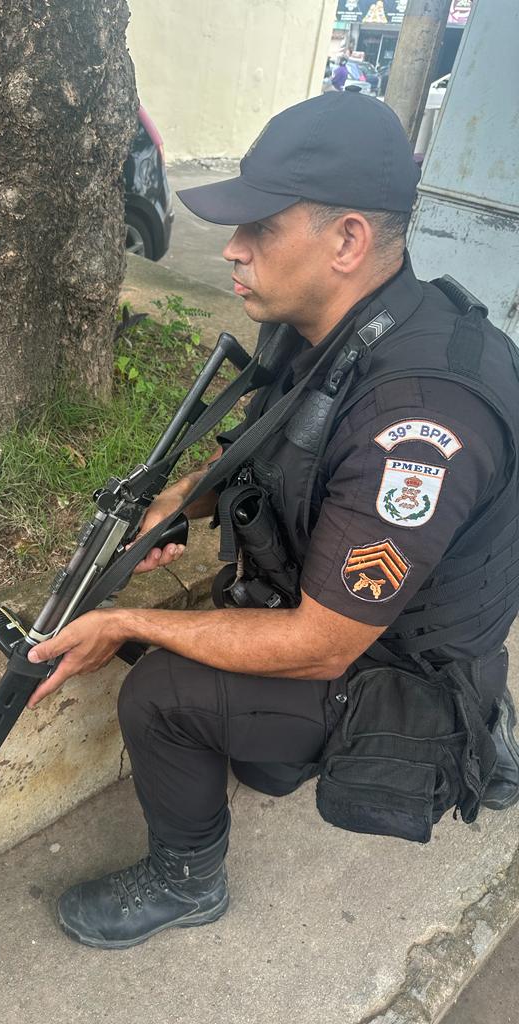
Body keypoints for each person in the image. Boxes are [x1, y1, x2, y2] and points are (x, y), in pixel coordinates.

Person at [26, 92, 519, 949]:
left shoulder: (422, 420)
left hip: (402, 665)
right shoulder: (331, 324)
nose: (232, 249)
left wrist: (126, 621)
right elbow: (275, 439)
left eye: (259, 227)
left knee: (162, 692)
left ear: (348, 241)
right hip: (383, 613)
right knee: (237, 717)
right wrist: (187, 501)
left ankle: (190, 881)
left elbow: (325, 644)